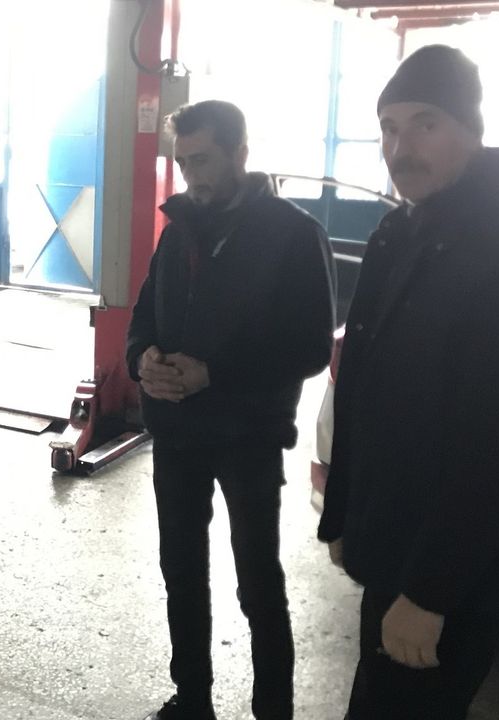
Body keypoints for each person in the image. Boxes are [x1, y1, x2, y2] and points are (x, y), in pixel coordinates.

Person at [316, 45, 499, 720]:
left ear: (471, 131)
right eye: (388, 127)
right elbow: (365, 396)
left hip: (463, 573)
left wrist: (431, 593)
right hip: (399, 542)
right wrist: (346, 515)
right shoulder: (401, 235)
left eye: (425, 124)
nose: (400, 147)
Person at [127, 100, 336, 720]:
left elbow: (310, 346)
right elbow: (144, 315)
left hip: (249, 435)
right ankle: (192, 700)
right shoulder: (179, 228)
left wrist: (213, 373)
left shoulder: (293, 233)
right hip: (176, 435)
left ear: (240, 154)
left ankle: (273, 710)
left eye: (204, 160)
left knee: (258, 583)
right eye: (183, 162)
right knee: (181, 572)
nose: (192, 175)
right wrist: (143, 359)